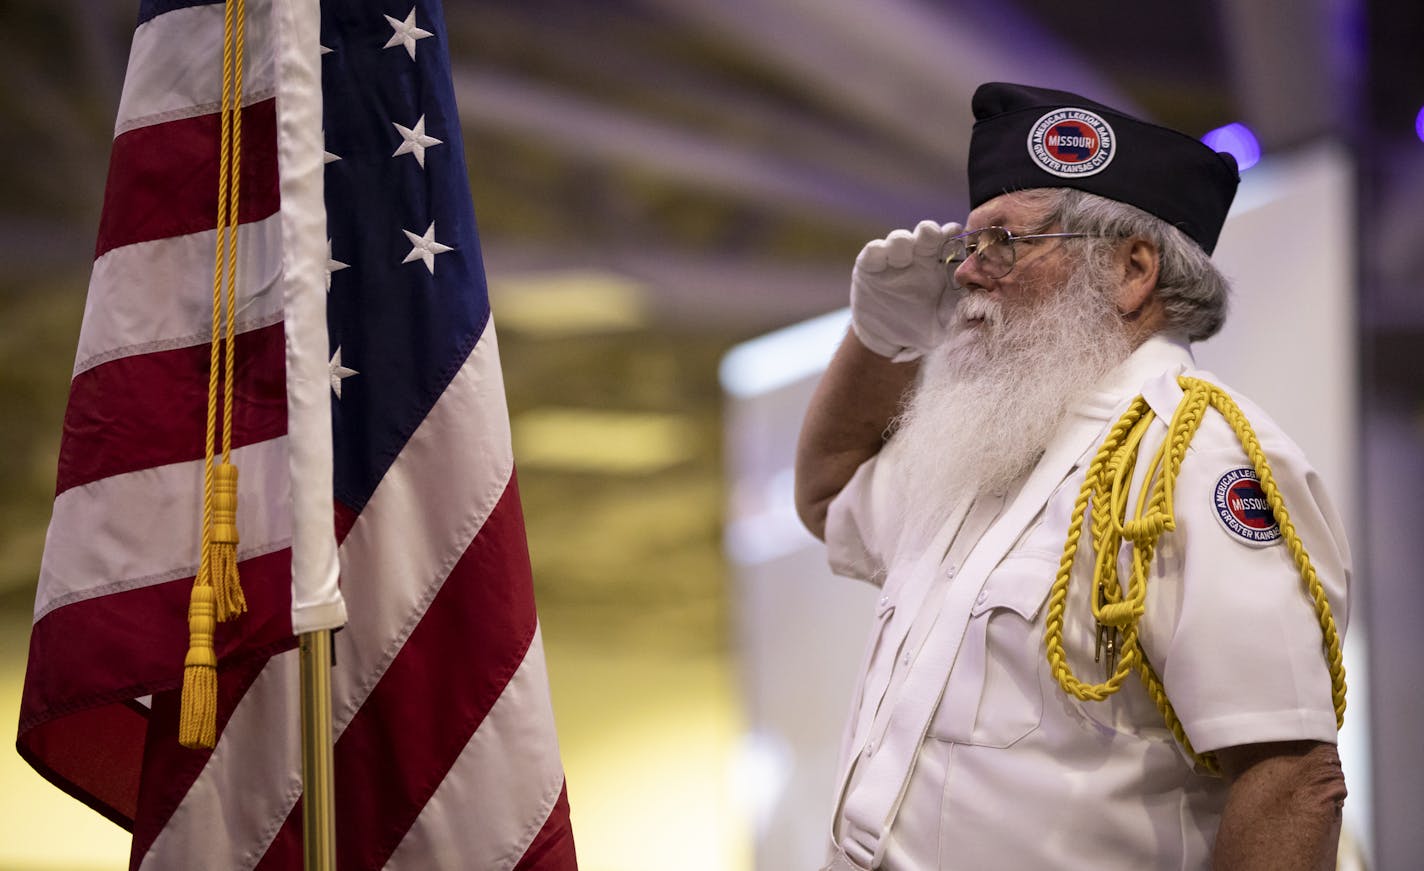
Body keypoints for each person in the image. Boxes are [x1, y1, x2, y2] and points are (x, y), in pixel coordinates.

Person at [795, 82, 1351, 870]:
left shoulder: (1190, 453)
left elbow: (1293, 779)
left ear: (1131, 269)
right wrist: (879, 336)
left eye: (1005, 244)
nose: (965, 275)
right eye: (970, 246)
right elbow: (828, 495)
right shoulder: (989, 439)